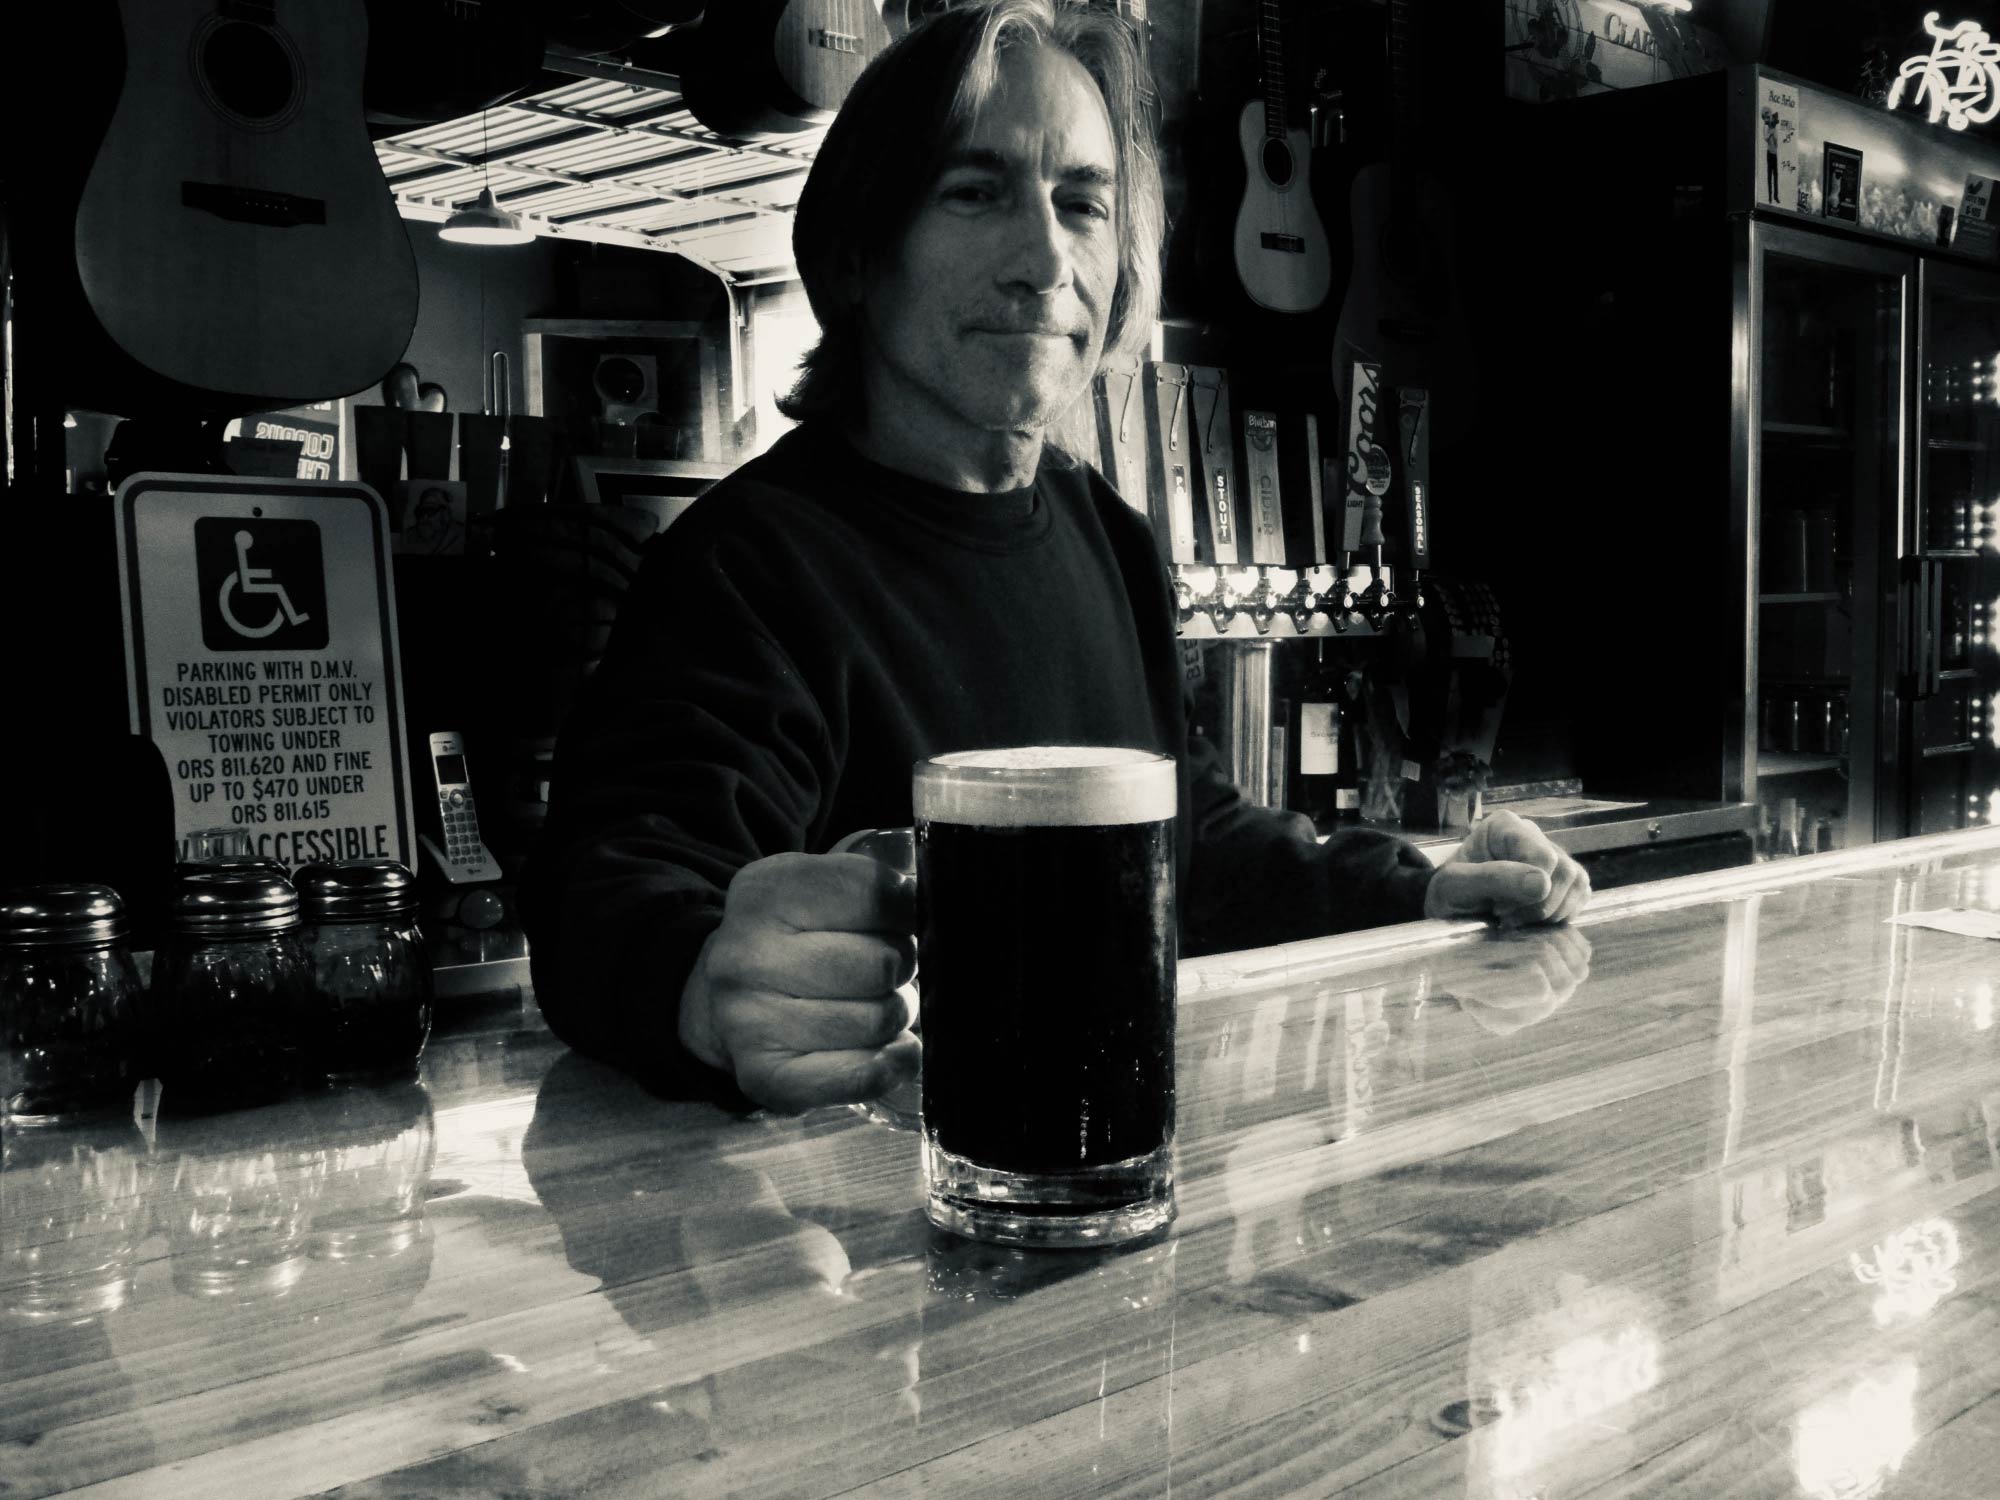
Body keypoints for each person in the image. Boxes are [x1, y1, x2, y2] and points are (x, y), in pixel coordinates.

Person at [521, 0, 1589, 1114]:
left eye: (1080, 203)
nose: (1043, 260)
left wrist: (1421, 887)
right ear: (854, 251)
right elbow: (612, 888)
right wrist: (702, 984)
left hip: (1096, 1159)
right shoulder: (746, 564)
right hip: (858, 1208)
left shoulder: (1106, 536)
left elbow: (1190, 839)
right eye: (975, 194)